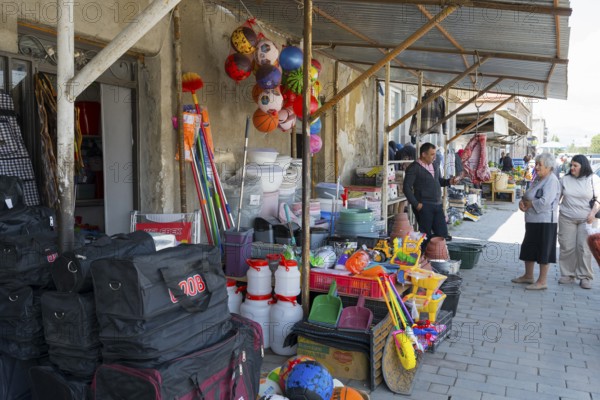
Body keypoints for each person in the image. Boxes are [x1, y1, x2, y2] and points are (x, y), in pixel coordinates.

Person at [511, 152, 561, 290]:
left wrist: (529, 204)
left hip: (545, 221)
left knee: (543, 250)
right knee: (529, 247)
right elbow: (528, 196)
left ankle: (542, 281)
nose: (537, 167)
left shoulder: (552, 180)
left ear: (549, 167)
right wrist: (522, 203)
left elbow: (545, 202)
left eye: (540, 165)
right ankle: (528, 276)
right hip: (532, 220)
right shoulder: (538, 179)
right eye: (537, 164)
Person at [403, 142, 460, 246]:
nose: (435, 157)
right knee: (425, 236)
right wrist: (417, 204)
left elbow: (439, 181)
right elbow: (406, 188)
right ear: (423, 154)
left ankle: (435, 256)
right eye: (432, 154)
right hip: (423, 205)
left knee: (442, 234)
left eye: (435, 154)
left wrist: (449, 181)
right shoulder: (414, 167)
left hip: (437, 204)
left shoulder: (435, 165)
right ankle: (423, 258)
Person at [557, 154, 600, 289]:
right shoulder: (565, 179)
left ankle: (585, 276)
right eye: (571, 165)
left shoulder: (593, 179)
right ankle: (568, 274)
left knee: (584, 248)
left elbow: (598, 199)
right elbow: (557, 197)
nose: (572, 168)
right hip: (566, 218)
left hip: (587, 219)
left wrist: (593, 213)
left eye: (575, 166)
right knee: (566, 247)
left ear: (583, 166)